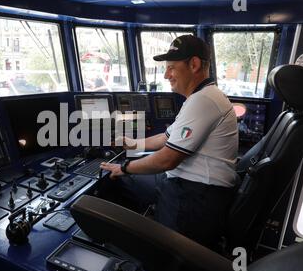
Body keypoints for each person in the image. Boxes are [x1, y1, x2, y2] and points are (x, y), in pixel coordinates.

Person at [100, 35, 239, 248]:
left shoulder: (203, 100)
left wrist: (125, 167)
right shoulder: (203, 96)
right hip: (194, 187)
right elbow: (167, 138)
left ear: (193, 65)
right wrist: (133, 144)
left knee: (117, 179)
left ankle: (128, 247)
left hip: (194, 197)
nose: (166, 75)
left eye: (171, 68)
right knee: (126, 179)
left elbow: (167, 160)